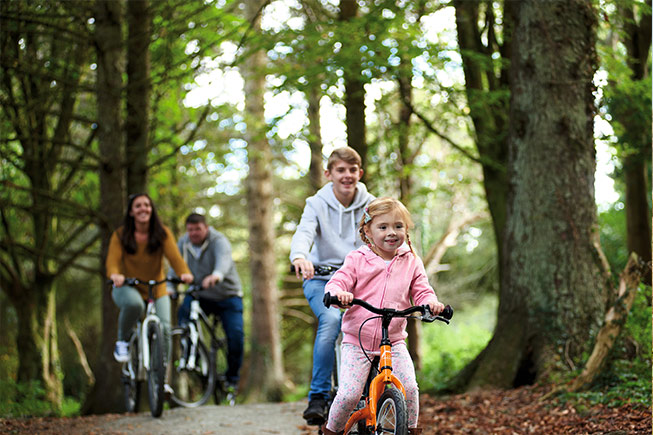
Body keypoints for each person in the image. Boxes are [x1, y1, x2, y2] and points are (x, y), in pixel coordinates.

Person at [320, 197, 445, 435]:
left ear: (406, 229)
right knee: (349, 394)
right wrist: (338, 294)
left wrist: (430, 304)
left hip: (394, 341)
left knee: (409, 387)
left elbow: (422, 290)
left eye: (398, 226)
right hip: (358, 341)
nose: (392, 232)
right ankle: (331, 431)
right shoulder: (357, 259)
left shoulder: (411, 261)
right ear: (368, 230)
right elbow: (339, 280)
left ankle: (409, 430)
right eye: (383, 227)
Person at [290, 146, 375, 423]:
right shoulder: (316, 203)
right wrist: (301, 256)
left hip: (358, 280)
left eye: (352, 170)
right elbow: (304, 232)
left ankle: (368, 392)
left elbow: (385, 231)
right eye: (341, 170)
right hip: (322, 278)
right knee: (330, 321)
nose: (347, 175)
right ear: (329, 174)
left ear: (360, 173)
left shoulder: (371, 204)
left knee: (371, 324)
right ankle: (318, 395)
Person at [106, 193, 193, 370]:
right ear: (131, 212)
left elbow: (175, 258)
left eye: (147, 205)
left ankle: (160, 377)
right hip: (128, 286)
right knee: (134, 305)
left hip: (156, 288)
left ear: (151, 210)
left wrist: (184, 273)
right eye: (138, 206)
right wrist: (115, 275)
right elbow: (112, 262)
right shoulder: (120, 235)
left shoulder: (162, 233)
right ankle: (123, 341)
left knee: (165, 329)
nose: (143, 209)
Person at [167, 213, 244, 391]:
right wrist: (170, 285)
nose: (194, 233)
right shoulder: (183, 243)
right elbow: (176, 265)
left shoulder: (218, 240)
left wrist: (216, 275)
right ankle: (191, 354)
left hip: (228, 296)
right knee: (184, 312)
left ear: (206, 228)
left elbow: (223, 261)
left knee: (236, 336)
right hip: (200, 294)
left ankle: (231, 378)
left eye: (198, 229)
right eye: (190, 230)